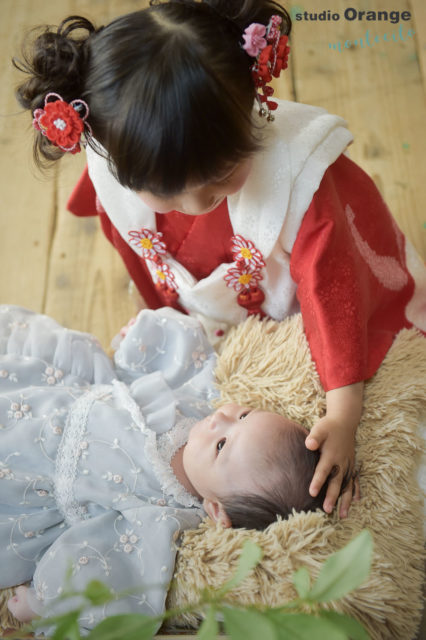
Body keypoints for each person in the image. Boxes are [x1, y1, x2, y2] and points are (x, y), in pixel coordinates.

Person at [13, 0, 426, 522]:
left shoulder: (301, 182)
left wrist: (344, 414)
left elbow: (334, 290)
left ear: (250, 111)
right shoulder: (115, 155)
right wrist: (170, 318)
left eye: (222, 172)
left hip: (313, 291)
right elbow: (131, 237)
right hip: (226, 302)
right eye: (166, 190)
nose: (196, 203)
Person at [1, 305, 338, 630]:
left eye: (222, 445)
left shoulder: (166, 515)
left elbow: (108, 561)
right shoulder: (197, 414)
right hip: (54, 396)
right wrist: (141, 339)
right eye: (244, 414)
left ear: (216, 509)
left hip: (30, 471)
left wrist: (44, 602)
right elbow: (186, 364)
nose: (221, 418)